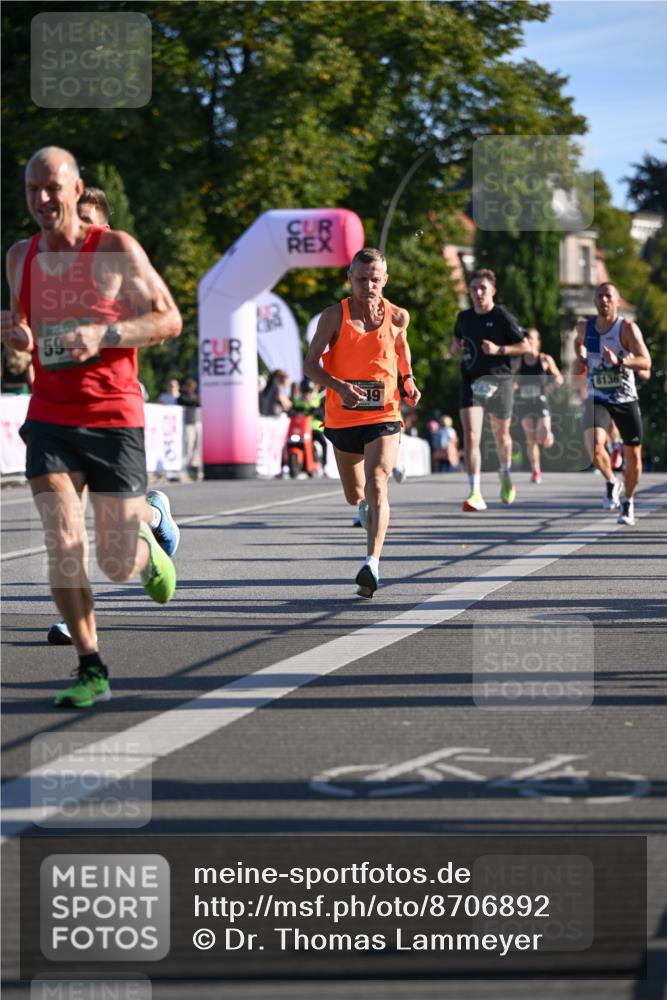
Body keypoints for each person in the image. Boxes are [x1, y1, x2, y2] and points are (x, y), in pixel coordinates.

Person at [2, 145, 182, 707]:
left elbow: (169, 319)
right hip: (51, 416)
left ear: (77, 191)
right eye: (33, 189)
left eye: (52, 187)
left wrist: (103, 335)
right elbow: (26, 334)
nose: (42, 199)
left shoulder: (116, 249)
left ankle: (149, 525)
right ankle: (90, 665)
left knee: (116, 562)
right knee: (61, 539)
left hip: (113, 418)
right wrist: (18, 341)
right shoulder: (19, 257)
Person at [303, 247, 420, 598]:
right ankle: (367, 508)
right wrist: (339, 386)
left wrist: (409, 378)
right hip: (343, 417)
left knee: (377, 481)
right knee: (356, 494)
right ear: (350, 279)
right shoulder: (333, 317)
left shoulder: (398, 316)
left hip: (385, 412)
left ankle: (372, 562)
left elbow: (401, 349)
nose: (368, 285)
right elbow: (310, 365)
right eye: (361, 279)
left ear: (384, 280)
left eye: (374, 279)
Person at [450, 269, 529, 511]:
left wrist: (499, 350)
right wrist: (455, 347)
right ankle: (475, 492)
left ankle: (504, 472)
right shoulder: (463, 317)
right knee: (471, 435)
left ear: (493, 290)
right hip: (472, 381)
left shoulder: (502, 315)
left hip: (500, 381)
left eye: (483, 288)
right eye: (474, 288)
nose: (478, 293)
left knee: (500, 435)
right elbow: (455, 343)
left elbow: (524, 346)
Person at [573, 282, 651, 525]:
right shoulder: (585, 326)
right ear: (594, 301)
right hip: (598, 396)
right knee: (595, 446)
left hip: (625, 398)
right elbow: (578, 342)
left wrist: (620, 361)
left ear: (617, 301)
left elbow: (646, 361)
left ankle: (628, 501)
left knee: (634, 458)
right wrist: (581, 356)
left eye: (608, 296)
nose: (603, 300)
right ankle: (611, 480)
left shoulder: (626, 329)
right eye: (599, 296)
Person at [511, 328, 563, 483]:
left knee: (543, 434)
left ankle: (548, 435)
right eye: (527, 338)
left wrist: (551, 387)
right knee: (530, 439)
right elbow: (513, 381)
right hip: (525, 402)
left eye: (532, 338)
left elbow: (559, 378)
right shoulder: (519, 361)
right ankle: (536, 470)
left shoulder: (545, 359)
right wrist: (513, 389)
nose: (529, 341)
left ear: (538, 341)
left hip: (541, 401)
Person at [178, 375, 203, 480]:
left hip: (197, 423)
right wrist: (196, 402)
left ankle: (197, 470)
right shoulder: (182, 397)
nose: (190, 388)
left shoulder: (195, 395)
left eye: (192, 386)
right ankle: (184, 468)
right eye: (189, 386)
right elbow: (189, 402)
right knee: (188, 445)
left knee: (198, 447)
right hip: (188, 423)